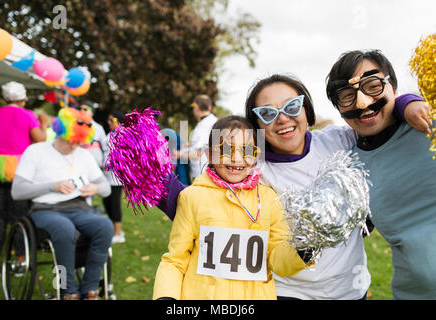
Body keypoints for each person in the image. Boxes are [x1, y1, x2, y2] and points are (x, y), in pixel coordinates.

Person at [157, 74, 427, 299]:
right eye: (267, 113)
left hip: (351, 290)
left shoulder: (339, 139)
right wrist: (152, 175)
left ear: (306, 109)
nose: (282, 118)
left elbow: (378, 117)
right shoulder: (250, 167)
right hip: (288, 293)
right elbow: (204, 206)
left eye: (292, 106)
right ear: (256, 125)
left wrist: (407, 103)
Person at [153, 116, 313, 300]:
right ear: (209, 154)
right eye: (225, 149)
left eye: (247, 150)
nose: (237, 158)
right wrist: (166, 296)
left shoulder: (268, 199)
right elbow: (175, 260)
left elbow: (277, 259)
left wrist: (300, 253)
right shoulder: (192, 197)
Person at [326, 49, 436, 299]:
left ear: (393, 87)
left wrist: (408, 102)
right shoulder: (350, 165)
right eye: (346, 96)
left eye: (372, 86)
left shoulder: (428, 121)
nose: (362, 103)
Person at [11, 107, 113, 300]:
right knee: (64, 228)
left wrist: (95, 188)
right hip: (45, 209)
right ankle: (68, 289)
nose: (75, 146)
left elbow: (105, 187)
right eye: (71, 141)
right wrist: (52, 186)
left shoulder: (83, 154)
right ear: (60, 133)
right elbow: (17, 191)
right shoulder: (36, 151)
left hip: (79, 207)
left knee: (105, 226)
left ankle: (90, 288)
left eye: (79, 142)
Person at [0, 81, 48, 278]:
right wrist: (44, 124)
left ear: (5, 98)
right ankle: (20, 263)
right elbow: (40, 141)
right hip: (21, 169)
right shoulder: (28, 115)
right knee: (19, 217)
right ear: (22, 99)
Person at [178, 94, 218, 180]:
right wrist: (190, 147)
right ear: (210, 107)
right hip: (210, 174)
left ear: (196, 107)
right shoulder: (213, 121)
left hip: (204, 176)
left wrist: (178, 155)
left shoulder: (204, 126)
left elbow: (198, 154)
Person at [103, 111, 126, 244]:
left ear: (118, 121)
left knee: (114, 204)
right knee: (107, 202)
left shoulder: (122, 134)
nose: (109, 122)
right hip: (107, 176)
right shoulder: (110, 133)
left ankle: (118, 233)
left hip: (116, 178)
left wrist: (114, 162)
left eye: (111, 120)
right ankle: (114, 229)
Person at [78, 101, 108, 169]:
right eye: (80, 109)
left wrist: (105, 163)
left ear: (92, 112)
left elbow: (105, 147)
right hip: (79, 161)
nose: (82, 111)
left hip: (95, 161)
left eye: (85, 109)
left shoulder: (98, 128)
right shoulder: (75, 125)